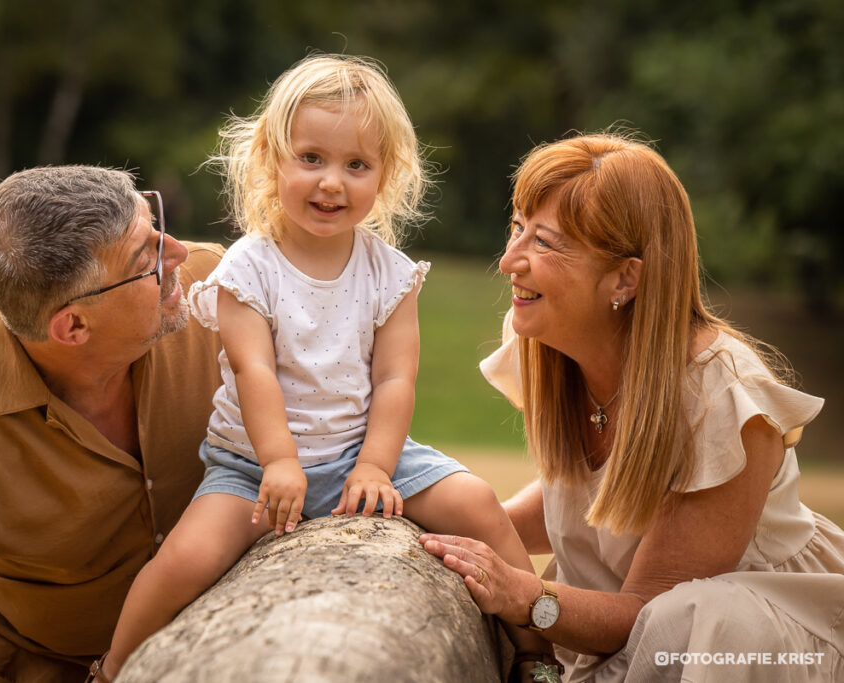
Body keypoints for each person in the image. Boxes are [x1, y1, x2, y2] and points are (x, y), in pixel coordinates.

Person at [103, 54, 553, 681]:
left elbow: (396, 378)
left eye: (356, 165)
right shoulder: (247, 271)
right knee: (183, 561)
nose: (332, 183)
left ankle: (535, 648)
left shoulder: (389, 273)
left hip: (363, 452)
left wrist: (374, 464)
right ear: (271, 159)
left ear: (384, 176)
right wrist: (280, 462)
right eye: (311, 158)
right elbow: (254, 371)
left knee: (479, 503)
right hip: (254, 464)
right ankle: (113, 667)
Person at [421, 131, 844, 681]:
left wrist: (523, 594)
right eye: (517, 228)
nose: (509, 261)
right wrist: (463, 531)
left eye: (544, 243)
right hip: (633, 619)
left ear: (625, 277)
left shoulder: (723, 400)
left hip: (752, 642)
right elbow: (586, 504)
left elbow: (645, 615)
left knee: (692, 617)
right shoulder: (549, 341)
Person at [0, 166, 224, 682]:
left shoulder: (222, 286)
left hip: (228, 638)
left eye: (154, 222)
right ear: (72, 325)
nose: (178, 252)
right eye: (146, 259)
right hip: (41, 665)